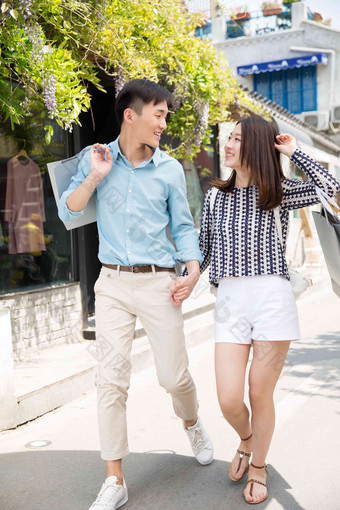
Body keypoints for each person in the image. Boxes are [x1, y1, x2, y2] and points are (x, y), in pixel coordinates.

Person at [58, 79, 213, 510]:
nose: (164, 122)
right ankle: (115, 480)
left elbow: (182, 227)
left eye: (166, 115)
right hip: (110, 285)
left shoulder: (168, 169)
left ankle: (193, 421)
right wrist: (94, 176)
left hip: (158, 283)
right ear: (132, 114)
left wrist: (194, 269)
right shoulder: (98, 158)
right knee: (109, 379)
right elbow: (69, 210)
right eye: (159, 114)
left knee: (173, 377)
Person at [172, 116, 340, 504]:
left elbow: (332, 190)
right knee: (229, 399)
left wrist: (295, 152)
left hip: (272, 302)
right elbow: (203, 252)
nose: (227, 145)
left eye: (236, 139)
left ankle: (260, 466)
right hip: (230, 303)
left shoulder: (278, 191)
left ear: (256, 148)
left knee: (259, 393)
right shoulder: (215, 195)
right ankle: (247, 441)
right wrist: (185, 277)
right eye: (228, 138)